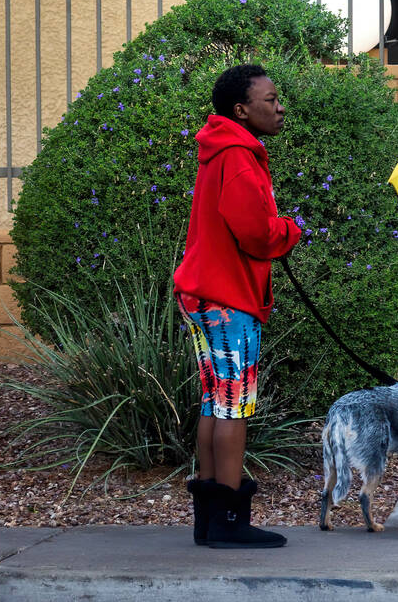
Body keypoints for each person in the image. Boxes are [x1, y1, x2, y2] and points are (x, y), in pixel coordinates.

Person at [173, 63, 301, 549]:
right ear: (241, 109)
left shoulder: (220, 150)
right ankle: (227, 521)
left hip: (205, 294)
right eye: (270, 99)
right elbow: (258, 234)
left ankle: (210, 520)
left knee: (215, 403)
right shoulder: (240, 156)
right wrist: (291, 229)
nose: (279, 106)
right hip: (226, 298)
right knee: (233, 407)